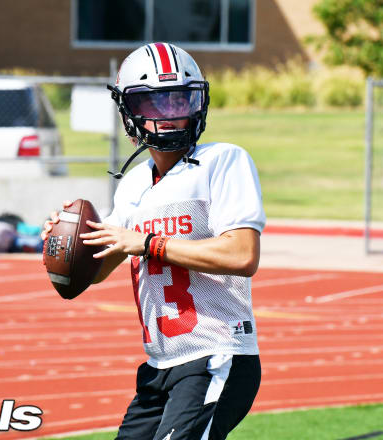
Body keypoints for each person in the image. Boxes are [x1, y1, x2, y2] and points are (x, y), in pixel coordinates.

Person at [42, 42, 265, 440]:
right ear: (129, 112)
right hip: (160, 366)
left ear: (199, 102)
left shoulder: (223, 161)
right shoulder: (134, 184)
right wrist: (66, 244)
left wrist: (148, 243)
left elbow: (242, 253)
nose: (171, 116)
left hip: (216, 353)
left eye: (180, 100)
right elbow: (94, 272)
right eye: (154, 104)